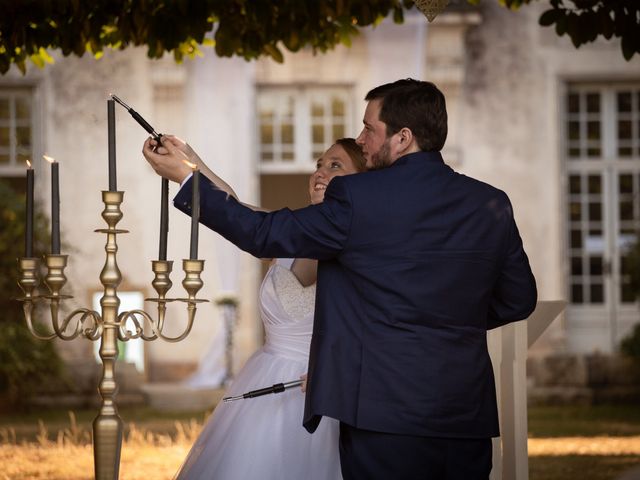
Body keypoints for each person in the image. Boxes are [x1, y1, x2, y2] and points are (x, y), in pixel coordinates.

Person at [143, 79, 538, 480]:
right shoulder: (490, 202)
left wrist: (187, 182)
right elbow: (518, 299)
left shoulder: (357, 196)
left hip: (383, 413)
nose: (362, 139)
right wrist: (449, 318)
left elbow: (262, 233)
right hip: (465, 414)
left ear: (403, 138)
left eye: (369, 128)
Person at [167, 138, 367, 479]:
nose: (320, 172)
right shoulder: (286, 234)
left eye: (336, 165)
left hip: (324, 389)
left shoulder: (366, 246)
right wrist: (190, 162)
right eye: (319, 164)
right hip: (266, 378)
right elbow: (234, 207)